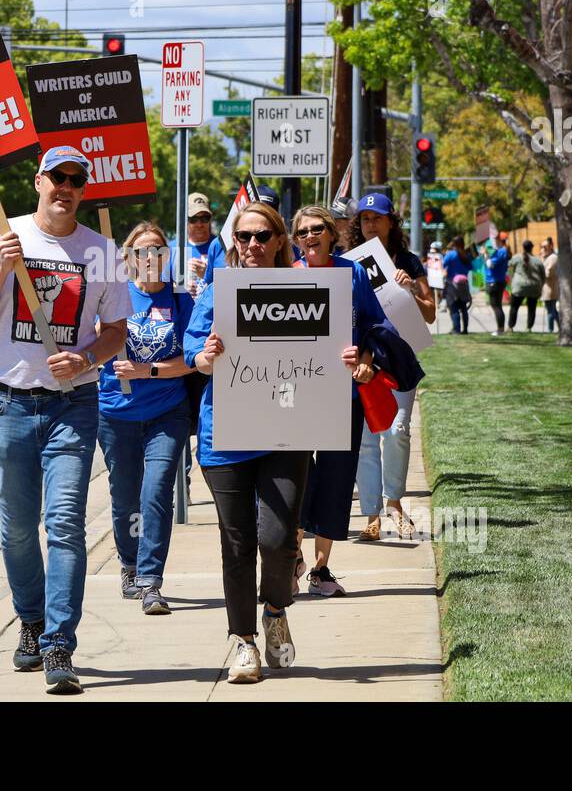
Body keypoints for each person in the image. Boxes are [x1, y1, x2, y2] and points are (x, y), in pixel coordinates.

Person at [184, 202, 389, 682]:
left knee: (277, 541)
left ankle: (275, 611)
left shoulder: (314, 288)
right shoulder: (219, 288)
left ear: (280, 241)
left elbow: (351, 343)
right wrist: (205, 355)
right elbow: (192, 354)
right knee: (236, 542)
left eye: (261, 237)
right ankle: (244, 643)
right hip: (226, 436)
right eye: (243, 237)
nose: (251, 245)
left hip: (287, 433)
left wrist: (353, 359)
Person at [0, 145, 131, 696]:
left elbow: (116, 331)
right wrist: (4, 270)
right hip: (10, 404)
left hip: (72, 406)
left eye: (76, 180)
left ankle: (59, 641)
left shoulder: (102, 251)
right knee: (15, 530)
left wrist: (86, 359)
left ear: (85, 189)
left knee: (65, 525)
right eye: (58, 177)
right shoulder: (0, 235)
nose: (67, 187)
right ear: (39, 181)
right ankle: (29, 620)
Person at [98, 222, 195, 617]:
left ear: (167, 255)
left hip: (166, 412)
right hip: (115, 413)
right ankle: (129, 563)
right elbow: (91, 341)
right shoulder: (113, 297)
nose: (151, 257)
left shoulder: (181, 300)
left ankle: (151, 581)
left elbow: (192, 360)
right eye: (142, 251)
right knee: (125, 498)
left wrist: (147, 371)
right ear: (129, 258)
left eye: (158, 249)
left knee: (156, 493)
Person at [289, 205, 384, 596]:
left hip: (343, 395)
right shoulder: (283, 277)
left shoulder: (353, 272)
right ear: (295, 240)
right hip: (294, 396)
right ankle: (291, 557)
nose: (310, 237)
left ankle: (321, 568)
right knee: (294, 477)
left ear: (331, 233)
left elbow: (372, 326)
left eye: (317, 229)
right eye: (302, 232)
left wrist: (365, 363)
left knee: (335, 477)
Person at [351, 193, 433, 540]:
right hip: (366, 362)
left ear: (391, 222)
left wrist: (411, 288)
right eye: (365, 219)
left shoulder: (410, 262)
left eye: (377, 218)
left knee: (397, 432)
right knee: (368, 440)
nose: (371, 224)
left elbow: (429, 312)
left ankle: (395, 503)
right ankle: (371, 513)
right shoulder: (351, 264)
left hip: (400, 361)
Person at [165, 192, 215, 299]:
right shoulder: (171, 248)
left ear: (211, 218)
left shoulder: (220, 247)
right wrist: (178, 287)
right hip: (183, 313)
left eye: (205, 218)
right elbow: (161, 287)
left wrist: (208, 275)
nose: (199, 224)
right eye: (193, 219)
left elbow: (229, 286)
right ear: (184, 219)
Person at [507, 239, 545, 332]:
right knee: (532, 308)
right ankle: (529, 328)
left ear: (523, 247)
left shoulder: (516, 257)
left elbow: (509, 267)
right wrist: (541, 287)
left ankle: (510, 327)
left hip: (519, 286)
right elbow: (543, 276)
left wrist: (511, 280)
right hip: (534, 286)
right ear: (532, 248)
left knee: (514, 307)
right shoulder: (538, 260)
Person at [442, 236, 472, 334]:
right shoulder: (466, 254)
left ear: (453, 243)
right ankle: (465, 329)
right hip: (464, 284)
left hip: (452, 284)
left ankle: (456, 329)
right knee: (463, 308)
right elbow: (471, 267)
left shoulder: (451, 254)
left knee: (454, 307)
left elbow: (442, 264)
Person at [483, 232, 511, 336]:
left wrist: (485, 255)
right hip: (496, 281)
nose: (494, 241)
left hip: (495, 281)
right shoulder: (501, 251)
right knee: (497, 306)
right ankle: (500, 329)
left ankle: (500, 330)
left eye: (496, 239)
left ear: (500, 240)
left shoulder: (501, 251)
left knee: (496, 306)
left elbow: (490, 264)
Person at [540, 237, 560, 332]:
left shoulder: (553, 258)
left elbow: (548, 273)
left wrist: (541, 272)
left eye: (545, 247)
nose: (543, 249)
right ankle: (561, 328)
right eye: (542, 247)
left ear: (551, 246)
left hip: (550, 288)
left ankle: (550, 330)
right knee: (553, 311)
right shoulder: (547, 257)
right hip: (547, 287)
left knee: (550, 311)